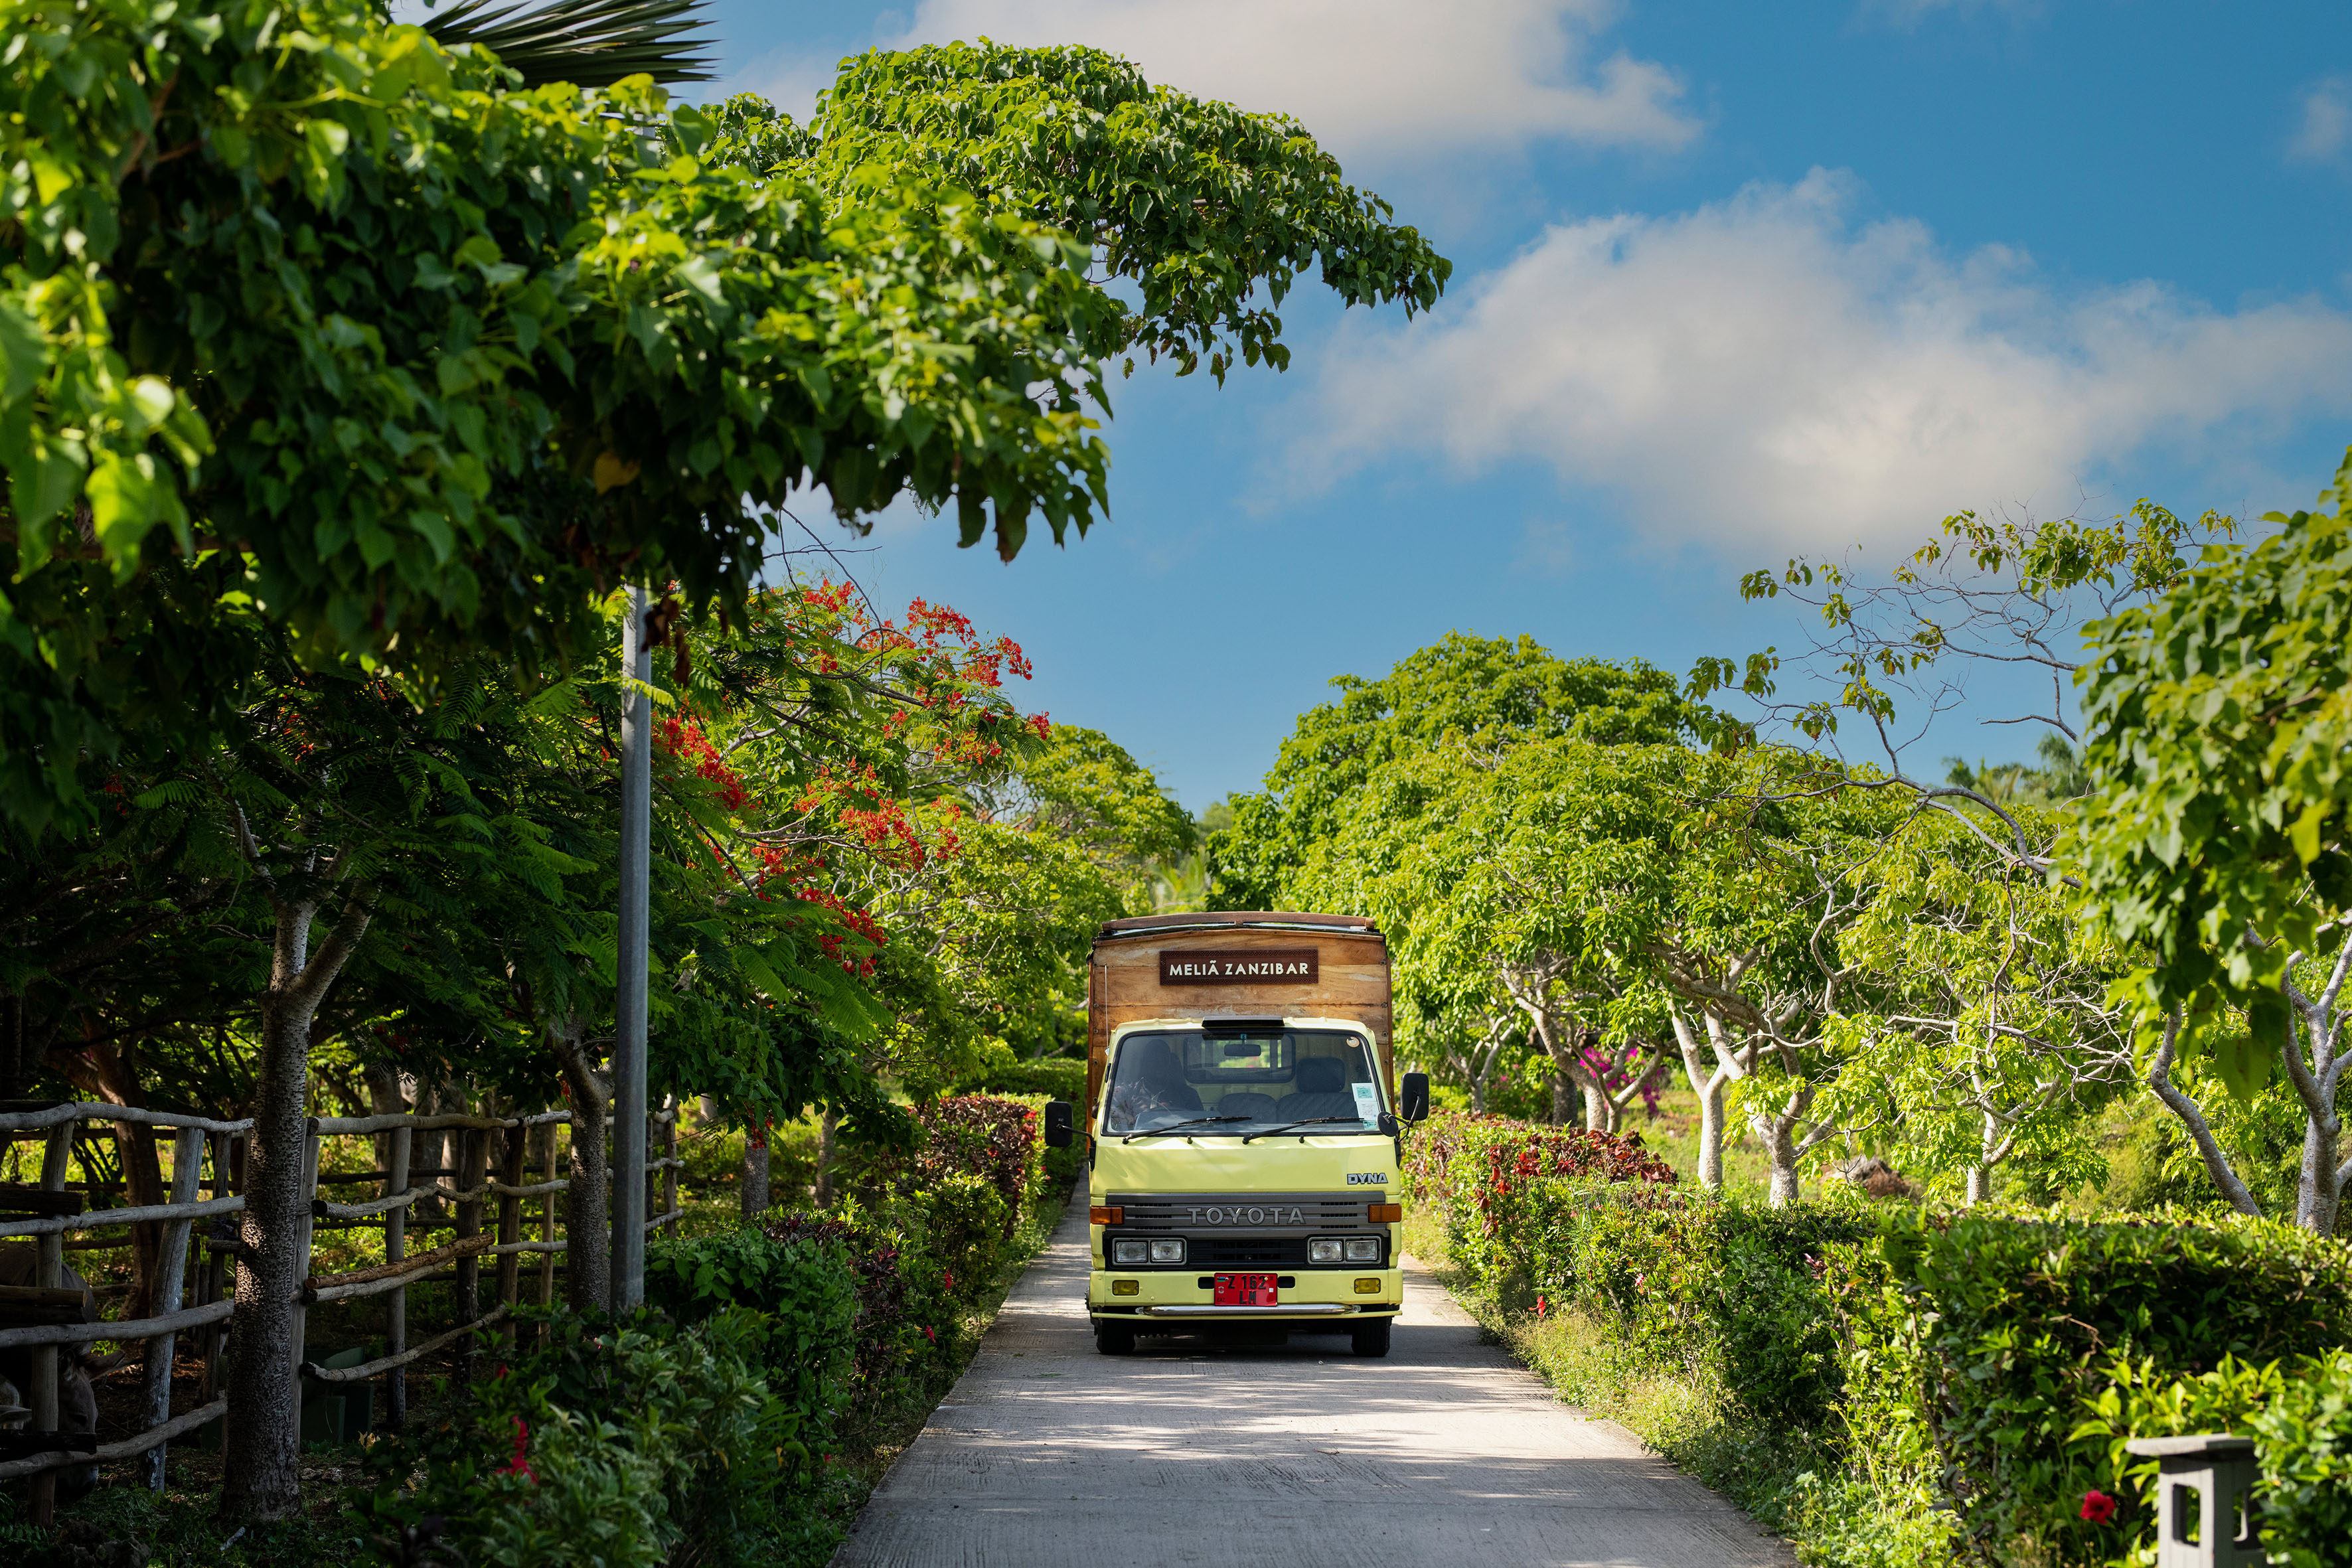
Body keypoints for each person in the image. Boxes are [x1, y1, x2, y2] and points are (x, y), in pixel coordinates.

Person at [1106, 1038, 1204, 1129]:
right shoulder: (1127, 1092)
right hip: (1133, 1140)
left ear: (1170, 1063)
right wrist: (1125, 1117)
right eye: (1153, 1060)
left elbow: (1201, 1126)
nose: (1158, 1065)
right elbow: (1107, 1110)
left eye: (1163, 1060)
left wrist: (1174, 1114)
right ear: (1144, 1063)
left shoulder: (1187, 1095)